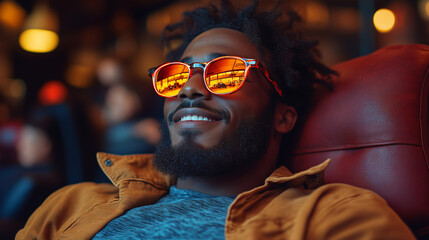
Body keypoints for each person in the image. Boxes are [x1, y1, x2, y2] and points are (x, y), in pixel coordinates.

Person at [16, 0, 415, 239]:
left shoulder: (338, 215)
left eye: (224, 72)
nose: (189, 88)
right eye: (177, 75)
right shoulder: (71, 204)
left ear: (283, 117)